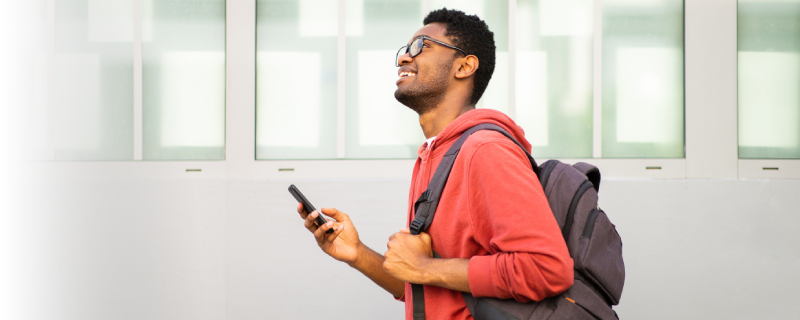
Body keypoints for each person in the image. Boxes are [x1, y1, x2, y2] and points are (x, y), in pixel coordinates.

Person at [296, 8, 573, 320]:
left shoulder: (485, 150)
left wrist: (425, 267)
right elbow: (429, 290)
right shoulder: (435, 154)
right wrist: (358, 253)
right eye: (404, 50)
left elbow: (547, 269)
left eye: (421, 46)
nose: (403, 58)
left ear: (465, 66)